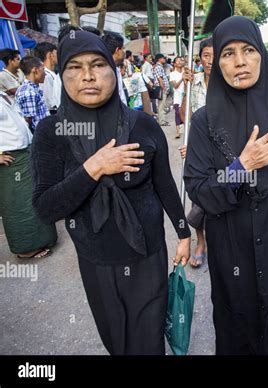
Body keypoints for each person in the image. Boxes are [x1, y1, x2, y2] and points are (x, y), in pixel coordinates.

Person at [30, 30, 191, 355]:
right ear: (61, 74)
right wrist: (95, 167)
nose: (87, 76)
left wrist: (184, 233)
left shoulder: (143, 125)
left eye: (97, 64)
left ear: (113, 71)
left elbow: (164, 184)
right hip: (96, 262)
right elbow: (46, 208)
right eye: (74, 67)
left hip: (148, 256)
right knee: (118, 343)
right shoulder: (51, 133)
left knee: (147, 343)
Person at [184, 16, 268, 354]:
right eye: (228, 53)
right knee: (237, 329)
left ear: (262, 53)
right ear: (217, 63)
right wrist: (242, 166)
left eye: (248, 50)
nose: (240, 62)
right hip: (230, 247)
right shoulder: (204, 121)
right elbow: (199, 188)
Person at [0, 90, 57, 259]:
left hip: (24, 154)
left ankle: (41, 240)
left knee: (33, 198)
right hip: (11, 159)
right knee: (19, 207)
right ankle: (25, 248)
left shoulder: (2, 93)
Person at [179, 38, 213, 268]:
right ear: (200, 58)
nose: (210, 61)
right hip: (198, 149)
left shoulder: (230, 82)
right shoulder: (195, 82)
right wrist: (185, 88)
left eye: (215, 55)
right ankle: (200, 242)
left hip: (224, 152)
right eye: (206, 55)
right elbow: (184, 116)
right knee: (197, 197)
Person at [15, 56, 49, 132]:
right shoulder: (28, 92)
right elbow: (28, 122)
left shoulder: (32, 89)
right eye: (43, 69)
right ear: (35, 70)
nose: (45, 74)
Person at [36, 42, 62, 114]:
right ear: (50, 55)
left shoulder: (50, 74)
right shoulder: (46, 76)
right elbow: (50, 101)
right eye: (56, 53)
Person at [102, 32, 128, 106]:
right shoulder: (107, 71)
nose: (124, 52)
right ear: (117, 51)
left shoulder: (115, 68)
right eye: (123, 49)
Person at [169, 56, 185, 139]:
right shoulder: (172, 74)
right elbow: (175, 86)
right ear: (174, 64)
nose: (180, 62)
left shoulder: (185, 71)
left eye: (181, 60)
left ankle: (186, 129)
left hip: (186, 96)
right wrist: (182, 78)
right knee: (178, 113)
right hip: (178, 97)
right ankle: (178, 131)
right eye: (177, 61)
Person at [153, 53, 170, 127]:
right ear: (159, 59)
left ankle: (162, 120)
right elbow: (160, 79)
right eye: (163, 58)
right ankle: (162, 121)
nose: (164, 59)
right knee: (161, 105)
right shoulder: (158, 67)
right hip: (162, 89)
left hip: (163, 88)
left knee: (163, 105)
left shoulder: (160, 67)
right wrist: (163, 88)